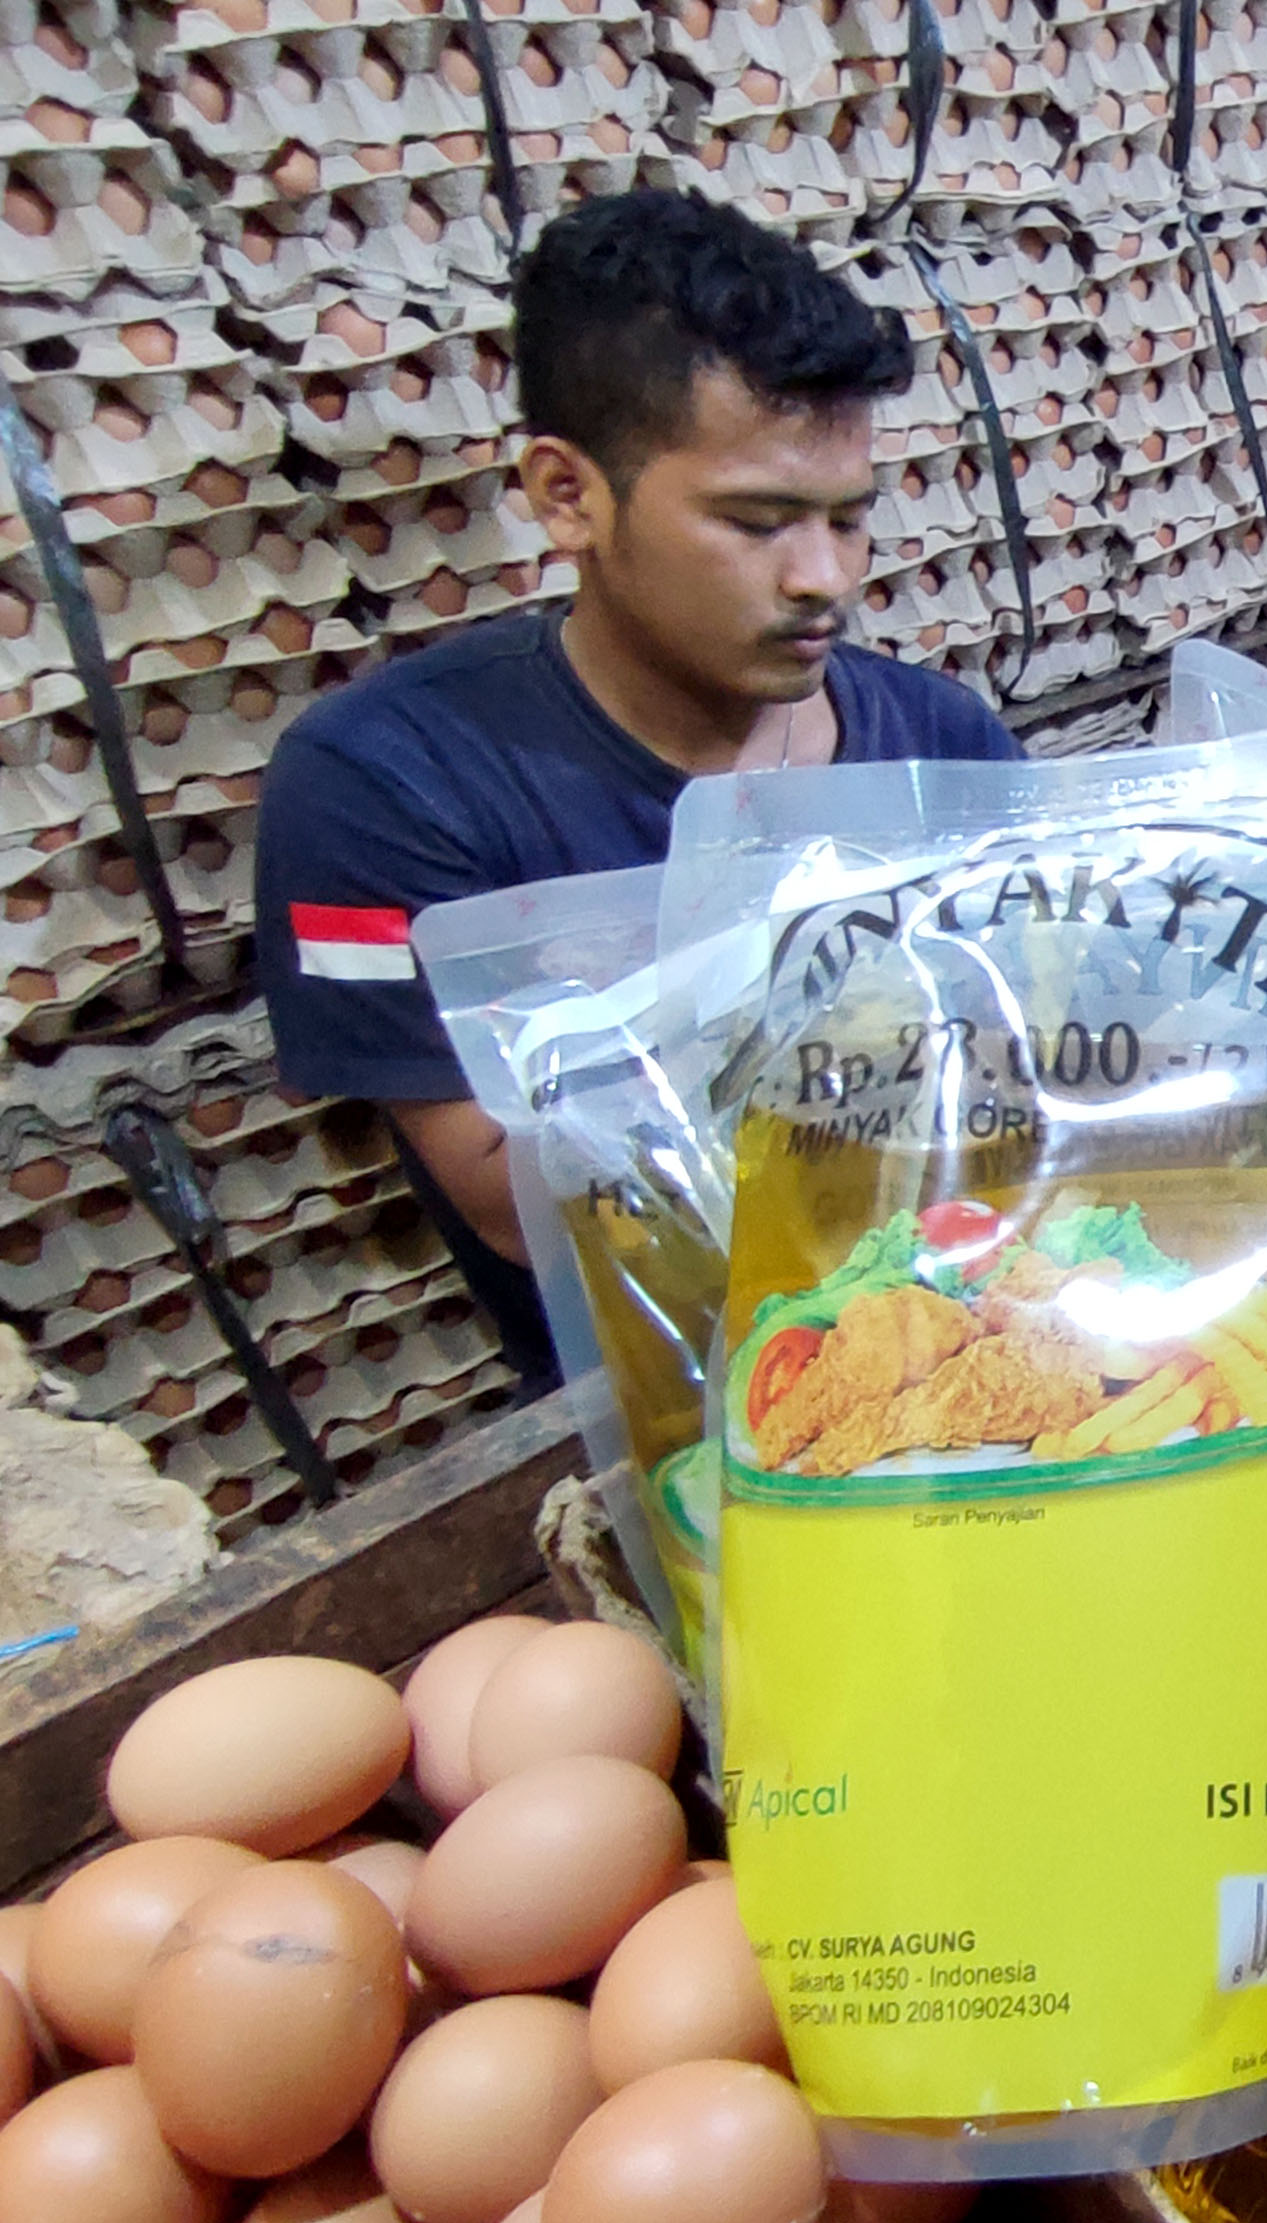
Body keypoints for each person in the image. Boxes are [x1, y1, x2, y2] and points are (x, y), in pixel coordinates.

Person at [254, 190, 1019, 1393]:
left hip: (998, 1343)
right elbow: (520, 1205)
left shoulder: (942, 743)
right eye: (757, 522)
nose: (823, 578)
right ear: (568, 495)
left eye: (848, 518)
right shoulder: (384, 784)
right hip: (681, 1412)